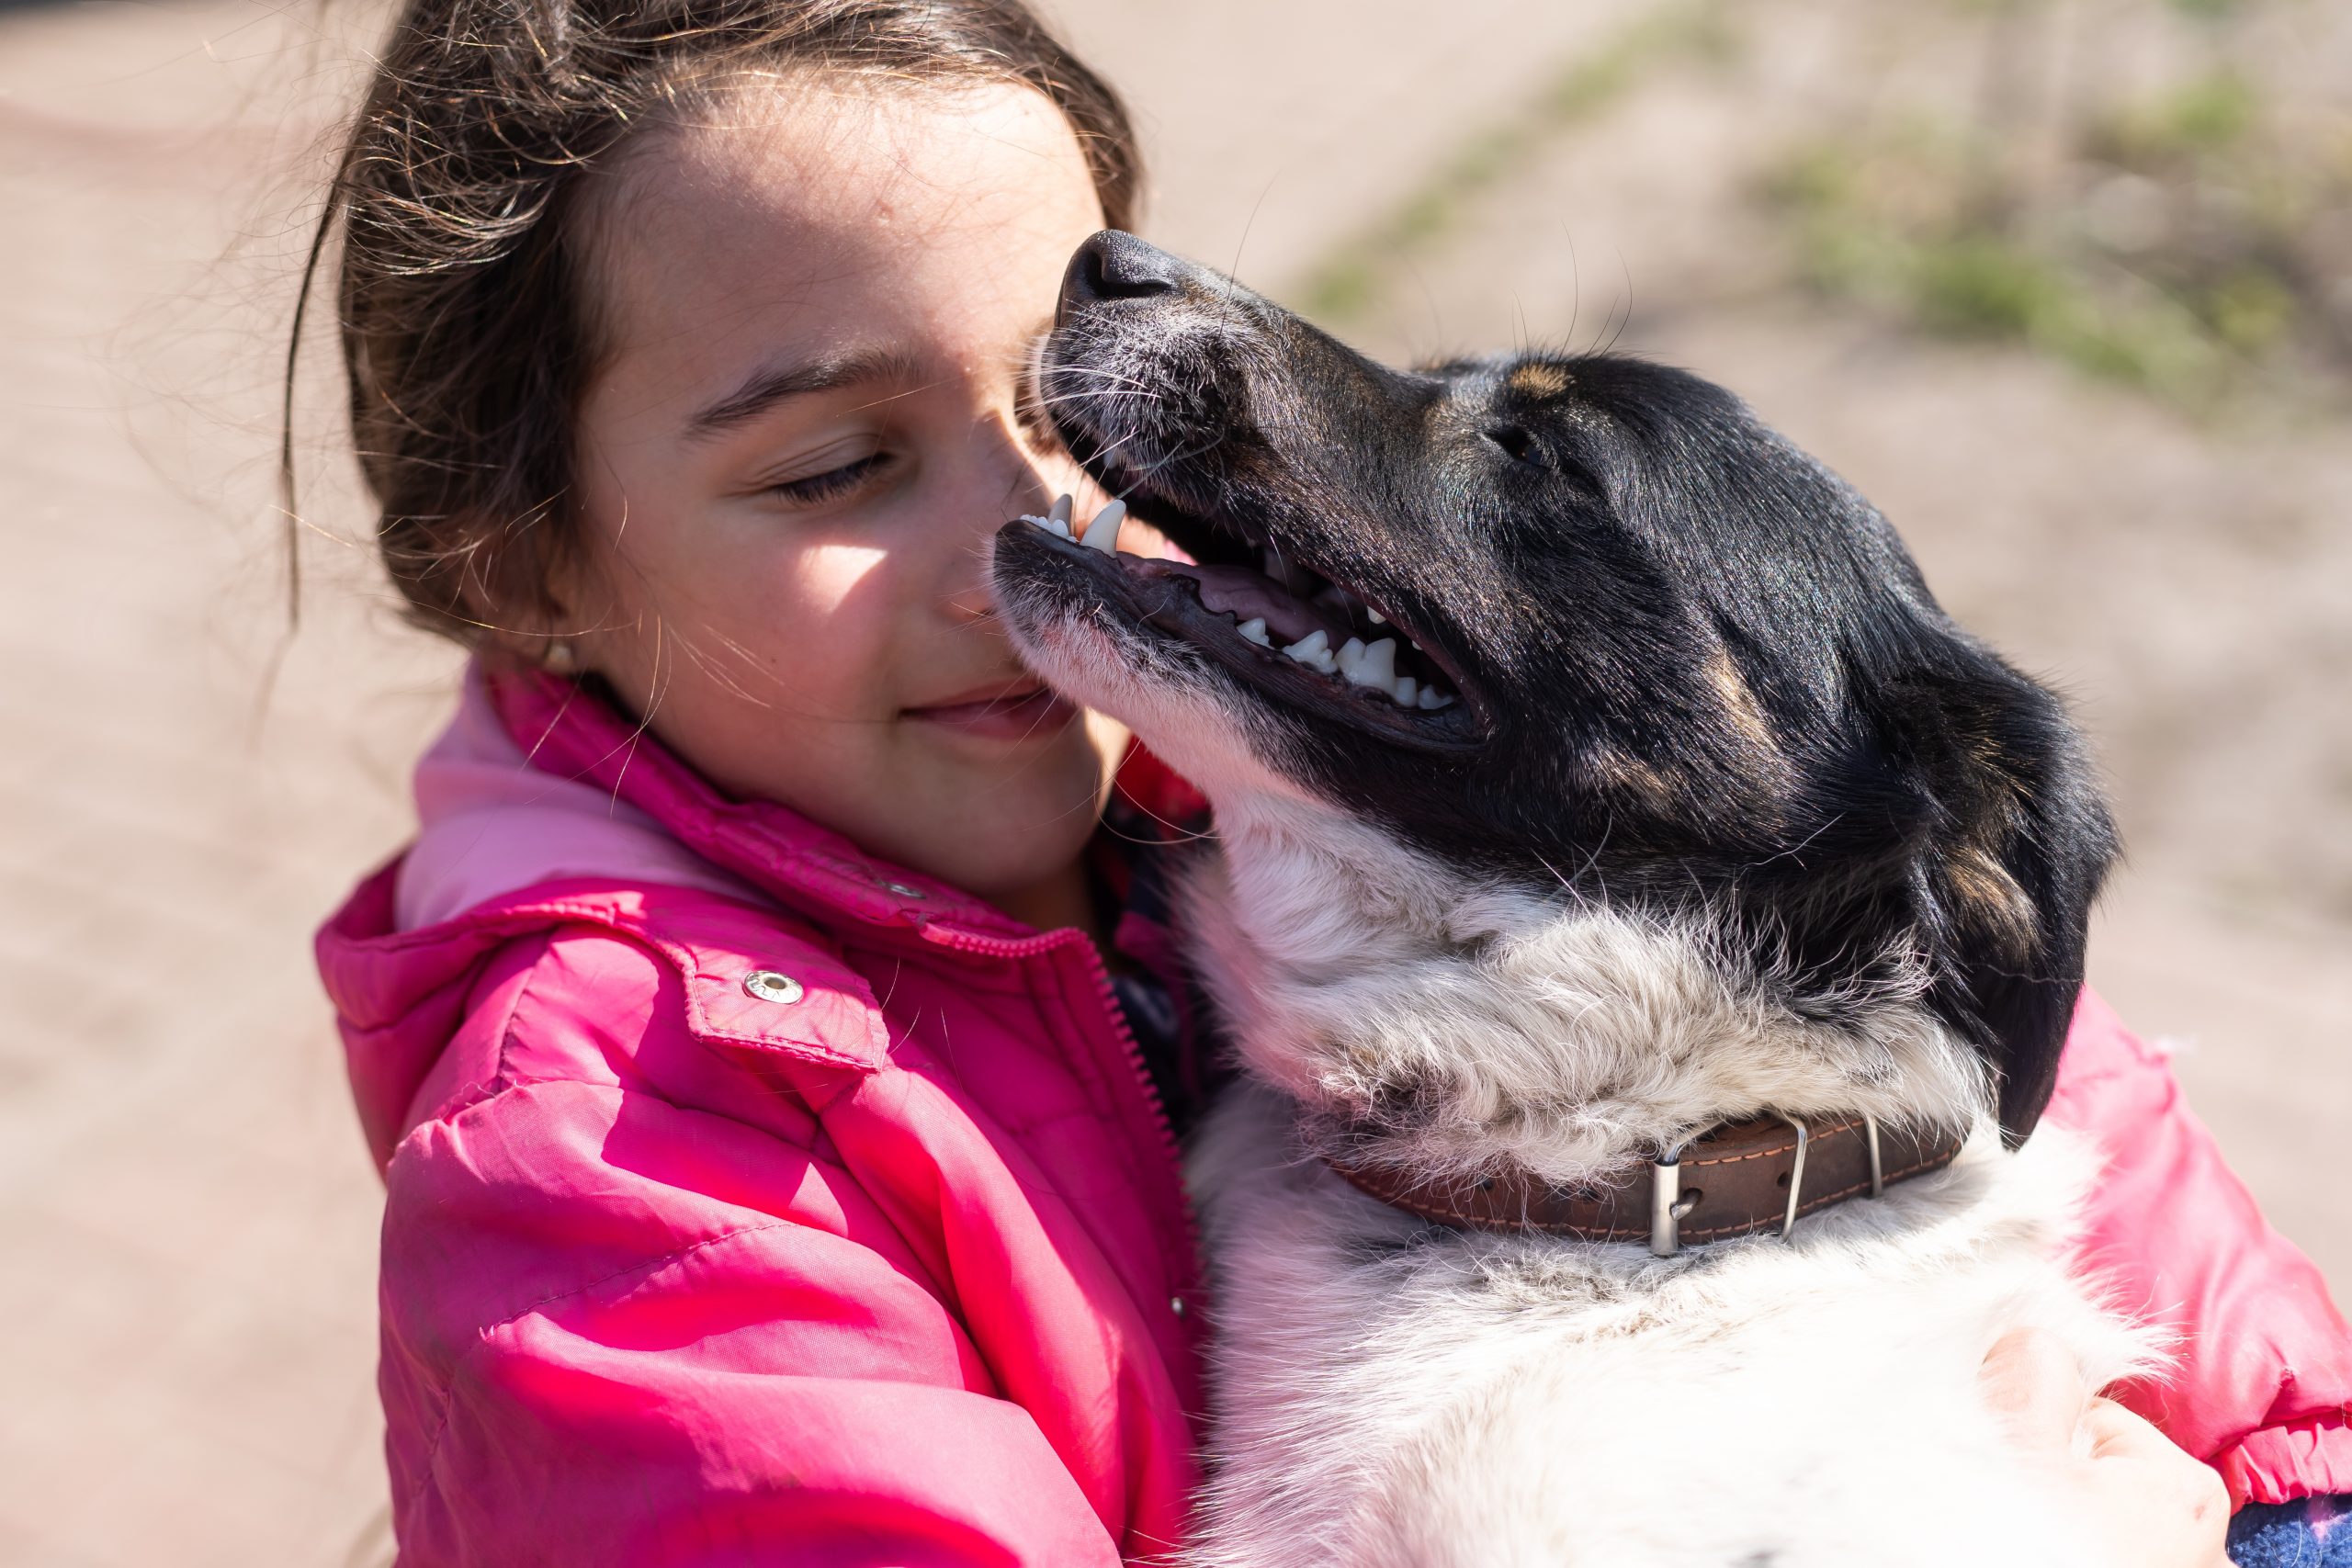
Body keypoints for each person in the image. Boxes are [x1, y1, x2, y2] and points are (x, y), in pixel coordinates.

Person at [304, 0, 2351, 1562]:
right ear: (528, 561)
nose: (1026, 530)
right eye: (834, 466)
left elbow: (2268, 1386)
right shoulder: (617, 1160)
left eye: (1050, 405)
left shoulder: (1285, 780)